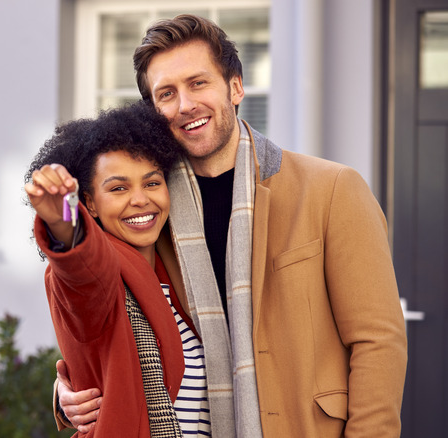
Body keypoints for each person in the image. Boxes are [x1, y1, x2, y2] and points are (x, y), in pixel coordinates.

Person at [54, 14, 407, 438]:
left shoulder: (331, 189)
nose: (185, 105)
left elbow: (377, 342)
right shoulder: (148, 209)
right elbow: (98, 307)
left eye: (198, 83)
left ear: (235, 87)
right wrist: (66, 395)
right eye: (166, 93)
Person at [25, 100, 212, 436]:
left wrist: (62, 394)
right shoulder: (98, 276)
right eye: (118, 188)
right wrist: (62, 221)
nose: (140, 199)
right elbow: (82, 273)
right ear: (90, 203)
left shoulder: (186, 270)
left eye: (152, 183)